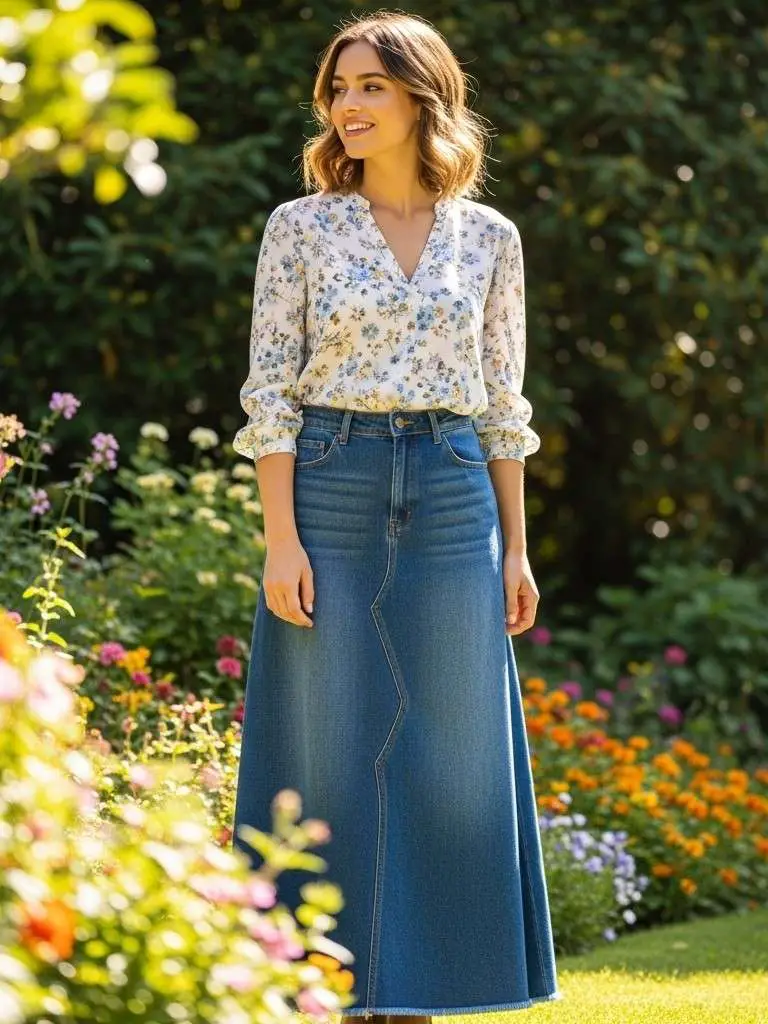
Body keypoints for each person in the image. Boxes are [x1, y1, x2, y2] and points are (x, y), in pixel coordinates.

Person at [231, 10, 562, 1023]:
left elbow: (504, 401)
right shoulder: (302, 227)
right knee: (327, 741)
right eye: (338, 88)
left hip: (459, 486)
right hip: (331, 477)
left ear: (424, 96)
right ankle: (322, 987)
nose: (347, 104)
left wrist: (517, 545)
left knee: (453, 749)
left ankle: (416, 993)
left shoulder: (490, 240)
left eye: (369, 84)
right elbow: (271, 392)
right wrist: (280, 538)